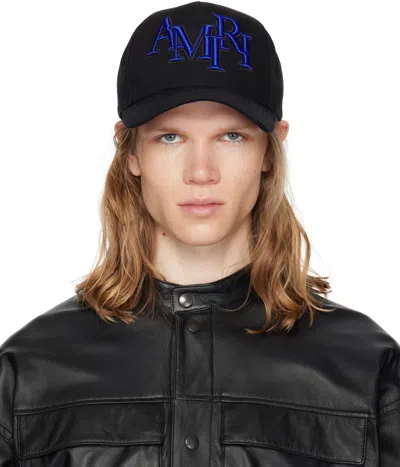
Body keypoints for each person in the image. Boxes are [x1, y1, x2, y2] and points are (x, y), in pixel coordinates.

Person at [0, 1, 399, 466]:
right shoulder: (30, 373)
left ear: (270, 148)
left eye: (232, 136)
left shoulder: (365, 370)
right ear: (131, 152)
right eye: (170, 137)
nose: (201, 172)